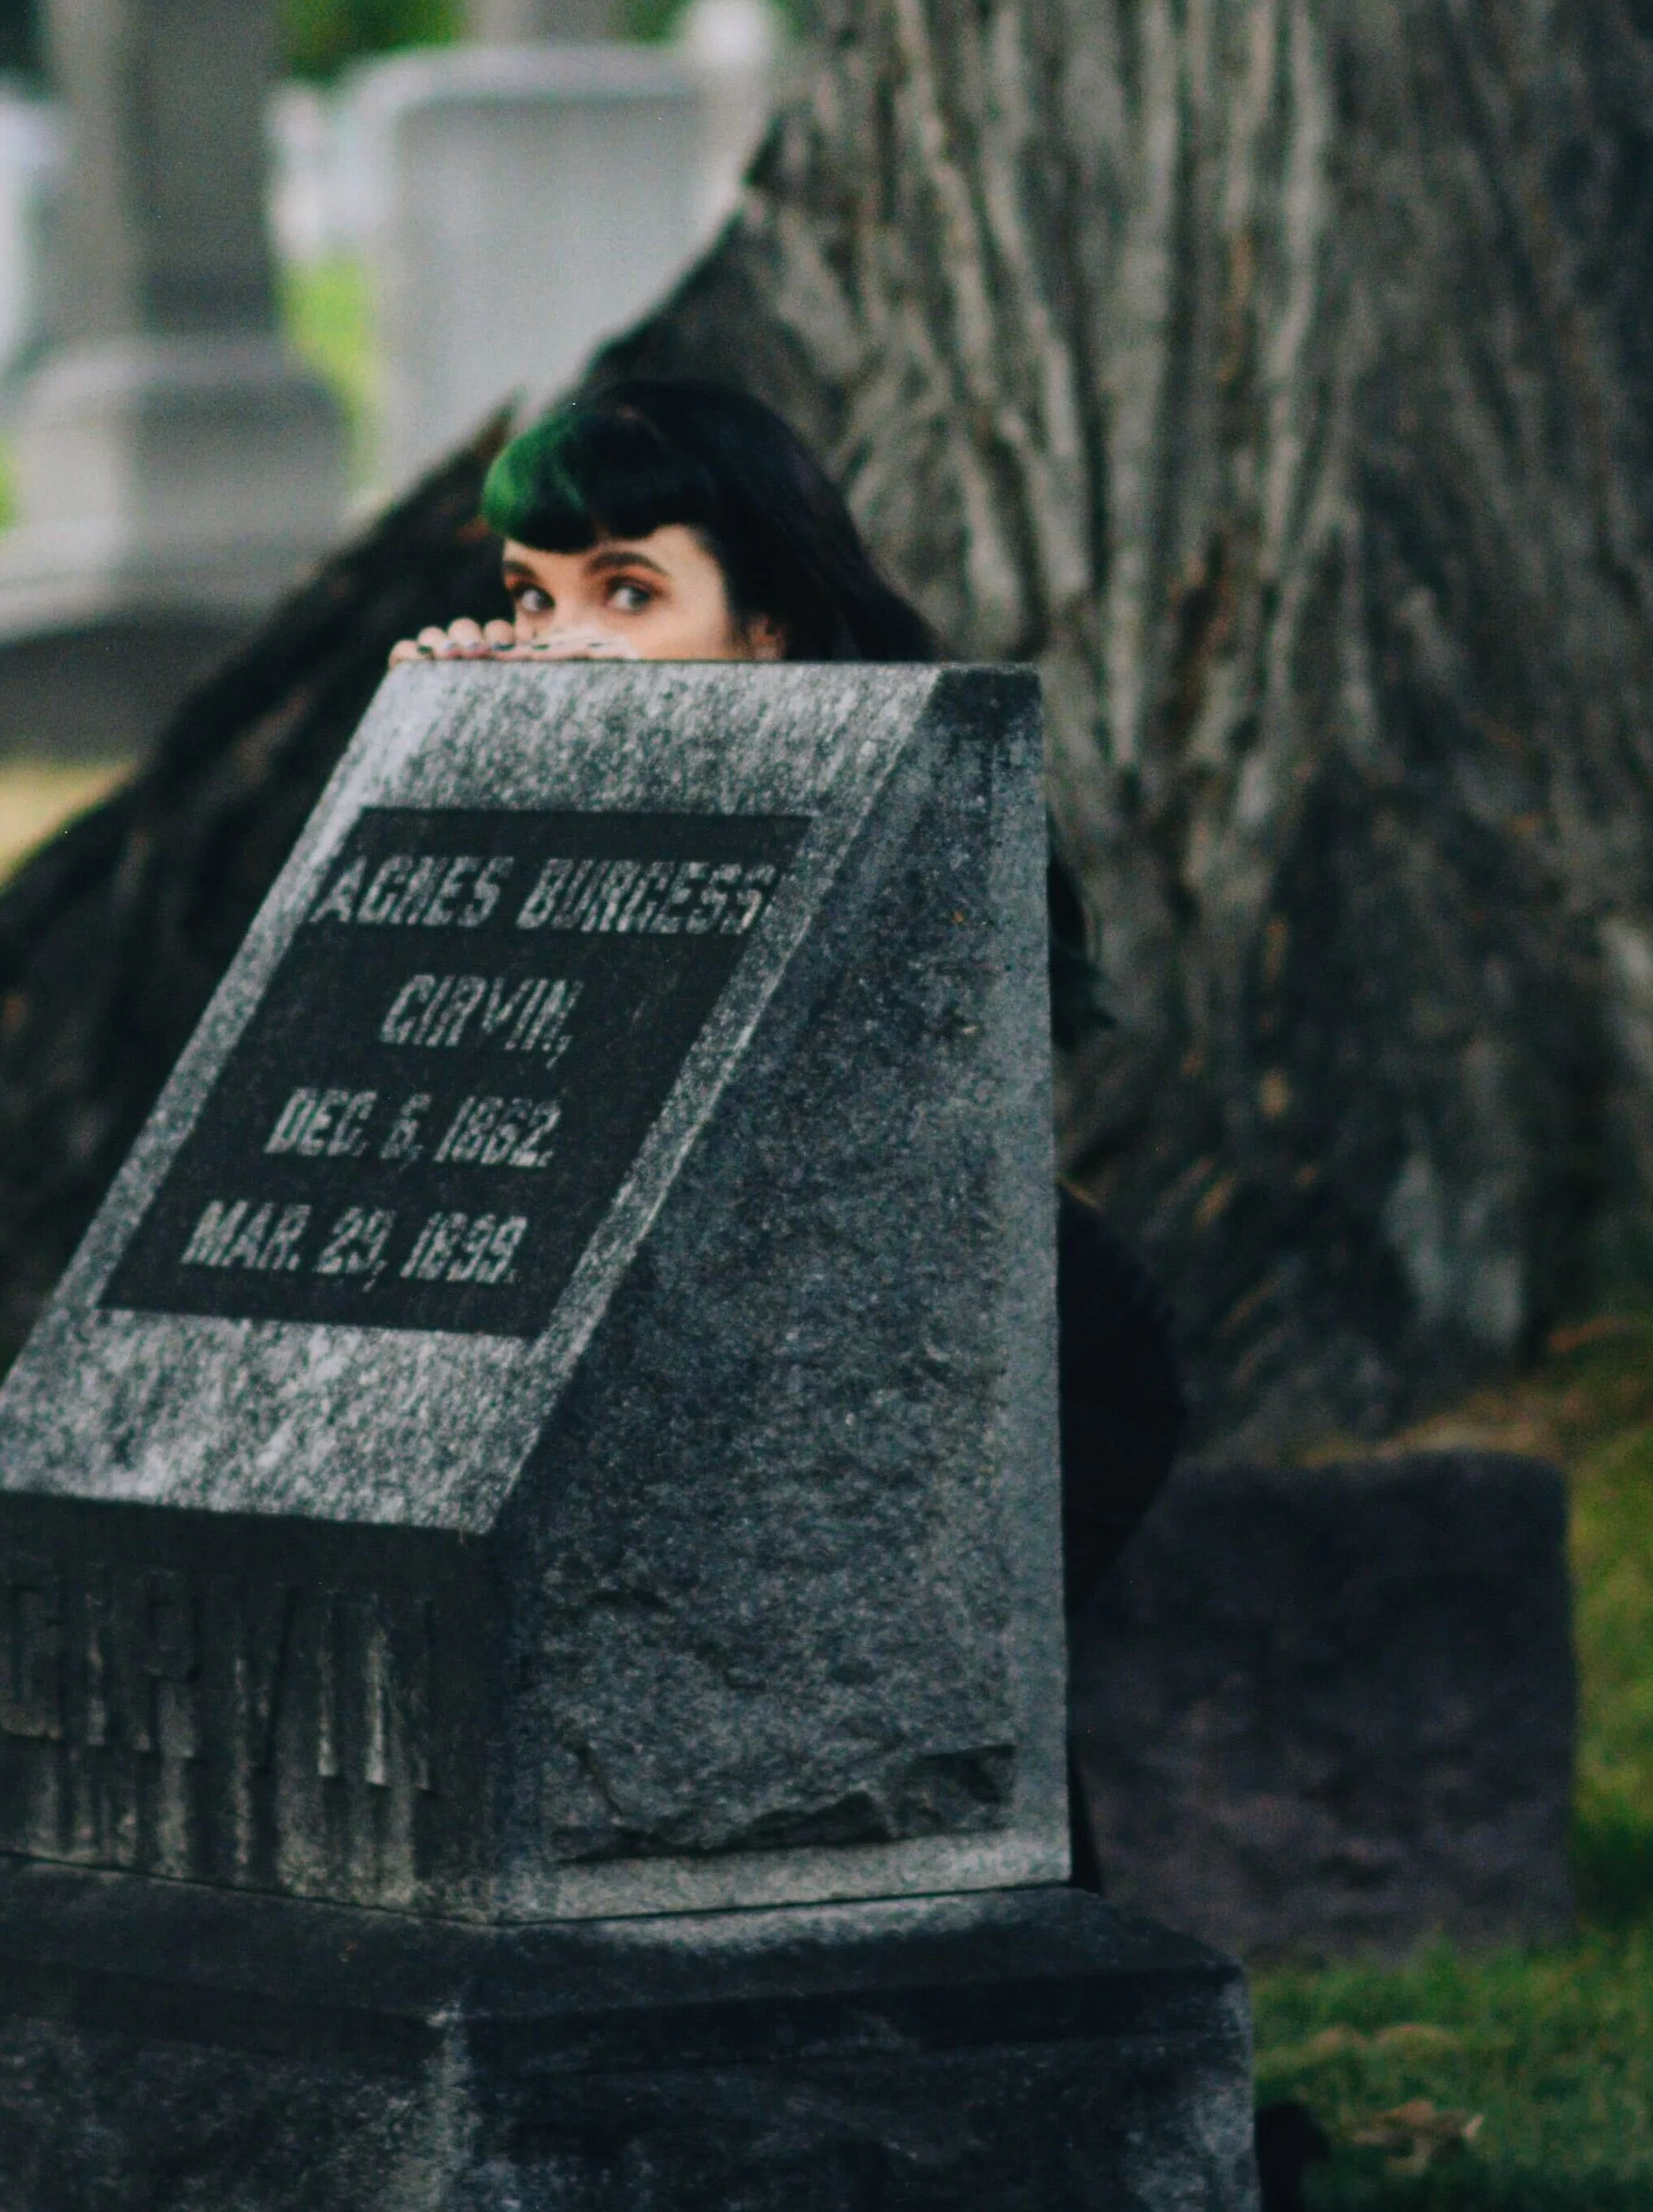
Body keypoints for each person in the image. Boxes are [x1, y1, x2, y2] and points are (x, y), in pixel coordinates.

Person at [394, 379, 1181, 1866]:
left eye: (628, 592)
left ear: (766, 627)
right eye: (530, 596)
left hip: (1031, 1347)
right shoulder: (589, 772)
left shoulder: (899, 794)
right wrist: (443, 776)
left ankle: (1037, 2036)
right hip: (780, 1344)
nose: (563, 638)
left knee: (914, 1730)